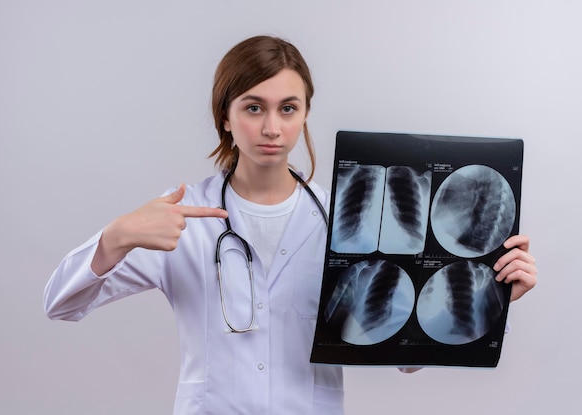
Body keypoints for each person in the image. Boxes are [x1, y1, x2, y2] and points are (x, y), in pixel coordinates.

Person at [44, 35, 537, 414]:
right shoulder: (182, 217)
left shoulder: (341, 220)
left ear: (304, 115)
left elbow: (405, 355)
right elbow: (60, 306)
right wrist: (117, 237)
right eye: (253, 107)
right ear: (225, 117)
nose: (271, 128)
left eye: (288, 108)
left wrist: (493, 297)